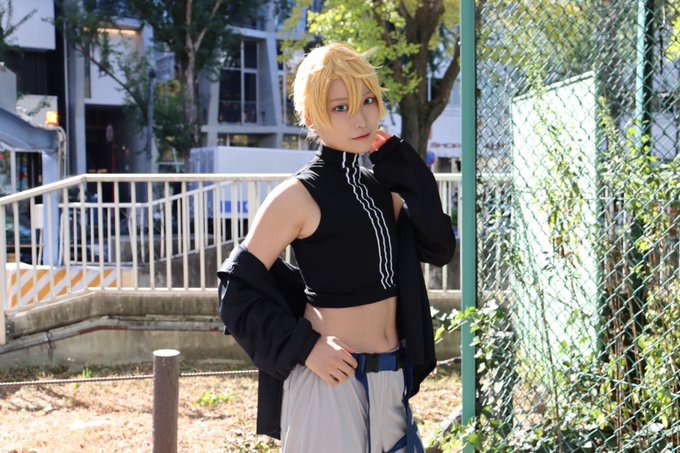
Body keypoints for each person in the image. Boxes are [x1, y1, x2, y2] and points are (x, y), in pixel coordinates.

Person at [218, 42, 455, 453]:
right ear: (312, 117)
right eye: (341, 107)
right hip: (331, 382)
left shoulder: (382, 189)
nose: (361, 118)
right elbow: (234, 289)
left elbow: (439, 247)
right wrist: (306, 347)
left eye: (368, 101)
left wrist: (404, 166)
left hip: (391, 378)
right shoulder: (297, 196)